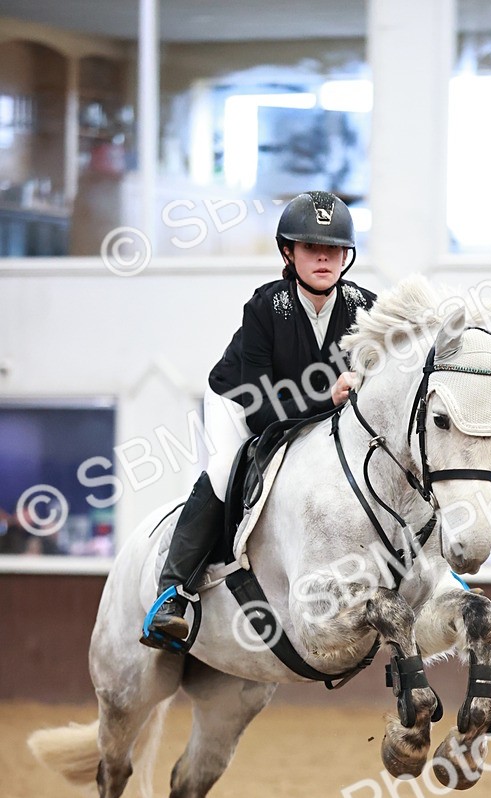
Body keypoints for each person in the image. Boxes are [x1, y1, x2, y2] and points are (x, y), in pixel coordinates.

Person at [142, 190, 377, 649]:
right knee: (225, 470)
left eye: (334, 249)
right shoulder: (266, 307)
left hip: (325, 413)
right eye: (312, 248)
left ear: (347, 256)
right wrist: (324, 397)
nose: (324, 257)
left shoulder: (365, 308)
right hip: (242, 402)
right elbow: (259, 409)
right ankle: (172, 594)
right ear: (288, 253)